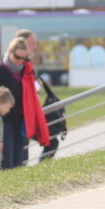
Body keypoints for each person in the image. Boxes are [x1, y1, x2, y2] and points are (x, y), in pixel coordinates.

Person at [0, 37, 50, 169]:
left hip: (22, 121)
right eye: (17, 57)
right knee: (7, 162)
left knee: (20, 160)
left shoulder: (27, 69)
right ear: (10, 52)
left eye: (24, 58)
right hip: (5, 121)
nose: (20, 61)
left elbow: (31, 91)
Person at [13, 28, 62, 162]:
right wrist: (37, 85)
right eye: (33, 42)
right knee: (23, 151)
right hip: (22, 115)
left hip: (30, 113)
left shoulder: (26, 63)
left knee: (51, 141)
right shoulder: (17, 64)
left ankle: (41, 170)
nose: (35, 46)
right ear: (22, 43)